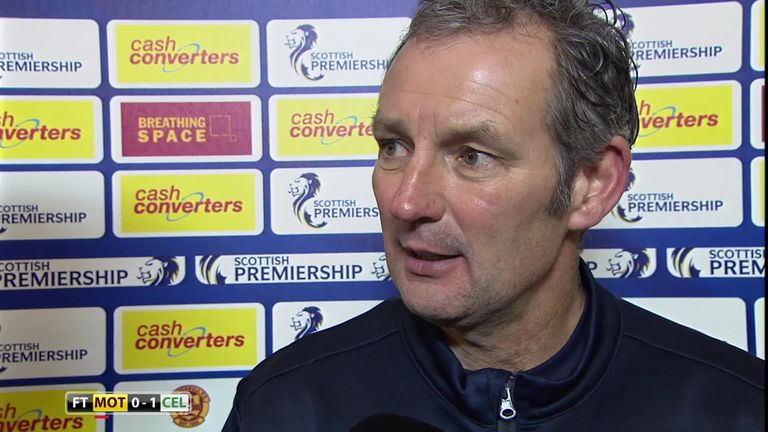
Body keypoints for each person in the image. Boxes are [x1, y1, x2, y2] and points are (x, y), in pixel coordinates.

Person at [223, 0, 764, 430]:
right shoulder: (285, 406)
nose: (407, 201)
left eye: (472, 156)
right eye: (394, 146)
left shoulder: (735, 409)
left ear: (591, 185)